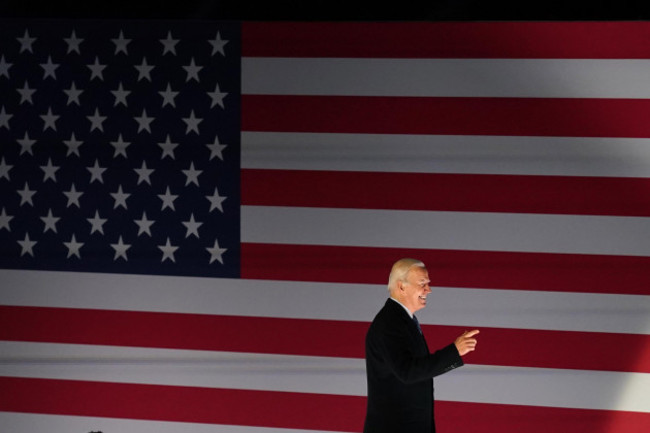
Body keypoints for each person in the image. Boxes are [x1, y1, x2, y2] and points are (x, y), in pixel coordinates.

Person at [363, 258, 479, 433]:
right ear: (401, 286)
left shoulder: (403, 320)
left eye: (428, 283)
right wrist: (454, 351)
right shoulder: (389, 324)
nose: (429, 290)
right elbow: (408, 372)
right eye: (422, 283)